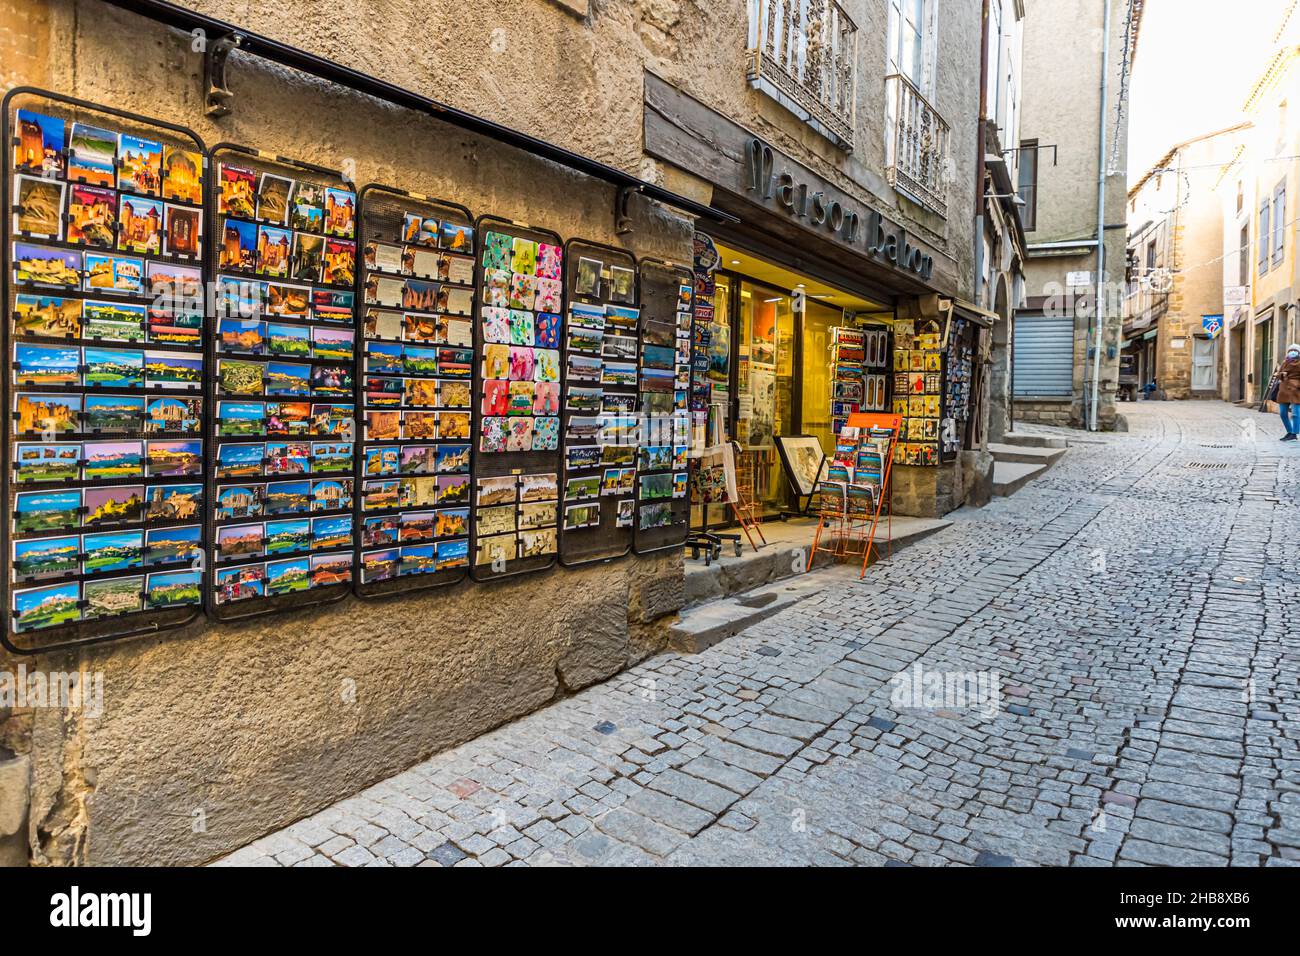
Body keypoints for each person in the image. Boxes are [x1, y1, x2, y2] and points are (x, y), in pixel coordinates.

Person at [1276, 344, 1300, 441]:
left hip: (1296, 391)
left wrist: (1297, 384)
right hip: (1284, 391)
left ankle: (1294, 433)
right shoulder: (1285, 362)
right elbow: (1278, 375)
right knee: (1282, 413)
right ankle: (1289, 432)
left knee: (1296, 414)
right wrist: (1282, 374)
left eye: (1294, 350)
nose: (1292, 352)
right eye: (1291, 350)